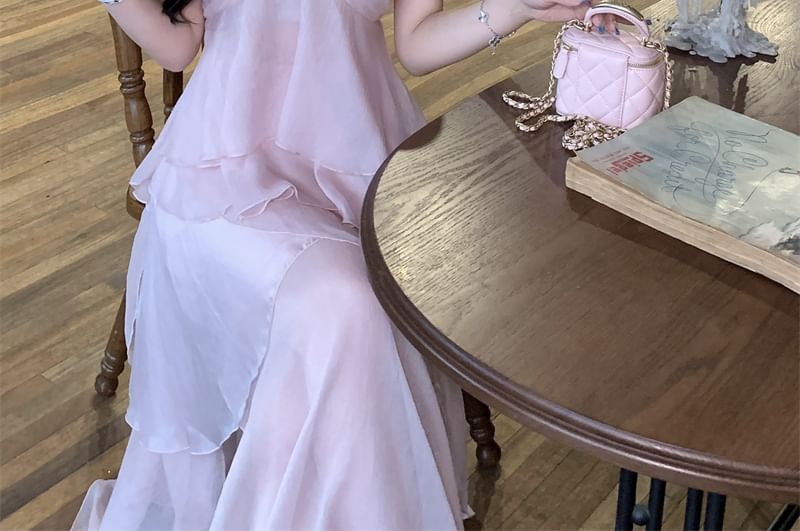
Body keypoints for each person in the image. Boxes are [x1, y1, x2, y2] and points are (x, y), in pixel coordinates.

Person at [73, 0, 602, 528]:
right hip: (222, 174)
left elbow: (417, 44)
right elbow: (177, 46)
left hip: (359, 166)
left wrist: (514, 8)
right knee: (349, 308)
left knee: (361, 309)